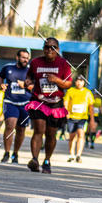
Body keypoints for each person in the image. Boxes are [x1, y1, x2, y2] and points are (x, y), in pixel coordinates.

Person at [25, 37, 72, 173]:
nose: (49, 50)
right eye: (47, 47)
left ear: (57, 50)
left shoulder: (63, 64)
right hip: (39, 101)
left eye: (53, 47)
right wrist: (28, 81)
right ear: (43, 49)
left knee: (51, 134)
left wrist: (57, 80)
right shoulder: (35, 62)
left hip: (55, 103)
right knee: (39, 129)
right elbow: (29, 77)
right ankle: (34, 159)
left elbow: (68, 84)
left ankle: (47, 160)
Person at [0, 48, 31, 164]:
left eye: (27, 58)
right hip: (10, 101)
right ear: (17, 58)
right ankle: (6, 152)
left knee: (21, 130)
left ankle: (15, 153)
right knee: (10, 126)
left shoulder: (30, 71)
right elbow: (0, 76)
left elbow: (35, 86)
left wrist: (26, 86)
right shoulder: (8, 68)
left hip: (25, 103)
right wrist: (1, 84)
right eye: (23, 57)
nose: (25, 60)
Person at [65, 76, 95, 163]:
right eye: (78, 81)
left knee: (81, 135)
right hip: (72, 117)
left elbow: (91, 106)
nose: (79, 83)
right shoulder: (70, 91)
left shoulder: (88, 93)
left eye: (81, 81)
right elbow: (66, 102)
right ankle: (71, 154)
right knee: (72, 136)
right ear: (75, 82)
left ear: (84, 83)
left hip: (83, 118)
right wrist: (66, 112)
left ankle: (78, 155)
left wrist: (92, 120)